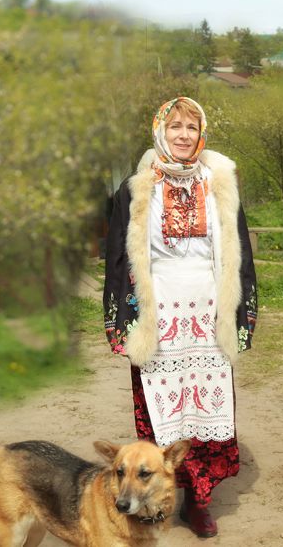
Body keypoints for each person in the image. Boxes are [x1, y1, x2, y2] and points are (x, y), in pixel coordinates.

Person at [103, 96, 258, 538]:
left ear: (201, 133)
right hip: (159, 314)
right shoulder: (136, 188)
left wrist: (241, 311)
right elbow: (118, 257)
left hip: (208, 313)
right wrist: (120, 320)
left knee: (203, 412)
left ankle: (198, 501)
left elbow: (238, 253)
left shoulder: (220, 181)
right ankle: (151, 501)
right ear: (160, 132)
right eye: (175, 127)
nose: (184, 135)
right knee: (162, 415)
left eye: (192, 127)